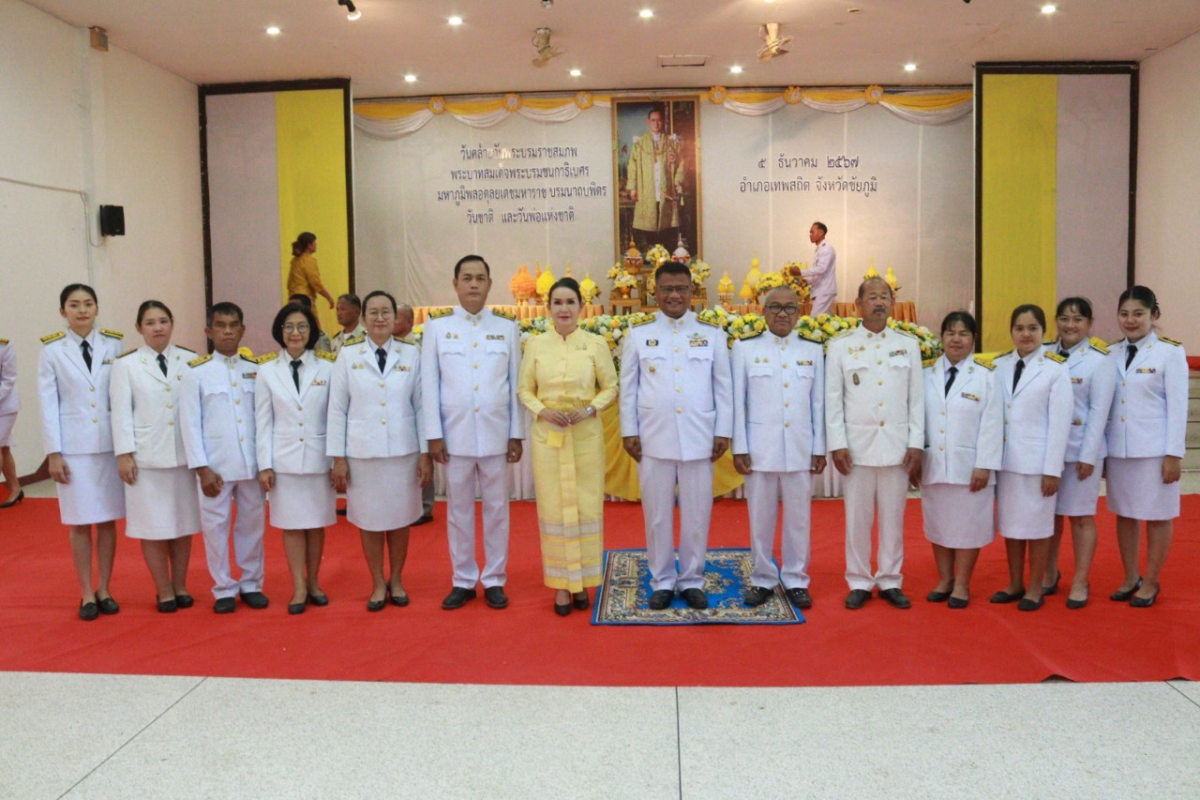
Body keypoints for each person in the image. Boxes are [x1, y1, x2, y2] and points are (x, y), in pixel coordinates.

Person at [620, 261, 732, 610]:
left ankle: (693, 579)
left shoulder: (712, 333)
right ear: (655, 292)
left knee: (698, 512)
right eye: (667, 288)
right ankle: (663, 579)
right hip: (653, 436)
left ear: (692, 293)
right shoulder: (638, 333)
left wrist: (723, 430)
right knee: (656, 513)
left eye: (681, 288)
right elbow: (629, 388)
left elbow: (723, 387)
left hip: (700, 435)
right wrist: (629, 430)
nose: (673, 295)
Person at [421, 255, 523, 611]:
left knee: (497, 510)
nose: (474, 284)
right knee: (459, 511)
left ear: (490, 283)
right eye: (467, 278)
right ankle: (463, 579)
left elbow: (514, 385)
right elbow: (429, 386)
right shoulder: (437, 328)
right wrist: (433, 435)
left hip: (496, 435)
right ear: (455, 284)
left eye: (480, 278)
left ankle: (494, 579)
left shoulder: (507, 327)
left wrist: (516, 433)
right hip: (455, 436)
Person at [518, 277, 619, 616]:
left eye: (570, 302)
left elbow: (611, 386)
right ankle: (562, 585)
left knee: (586, 506)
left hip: (585, 436)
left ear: (581, 307)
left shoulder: (594, 344)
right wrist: (542, 411)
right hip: (548, 437)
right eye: (557, 303)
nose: (564, 309)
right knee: (553, 507)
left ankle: (584, 581)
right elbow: (524, 390)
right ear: (549, 308)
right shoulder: (535, 344)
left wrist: (590, 408)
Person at [329, 290, 432, 611]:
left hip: (403, 452)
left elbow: (422, 406)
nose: (379, 318)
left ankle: (397, 579)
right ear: (363, 318)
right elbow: (337, 408)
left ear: (396, 317)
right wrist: (338, 458)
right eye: (372, 312)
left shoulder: (412, 352)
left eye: (385, 311)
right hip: (363, 454)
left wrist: (426, 453)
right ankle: (376, 582)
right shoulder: (347, 354)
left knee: (401, 519)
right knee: (370, 521)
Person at [825, 277, 924, 610]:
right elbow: (833, 399)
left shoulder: (908, 343)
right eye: (872, 297)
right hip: (857, 446)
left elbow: (917, 399)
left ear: (893, 304)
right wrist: (837, 442)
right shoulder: (841, 345)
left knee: (894, 518)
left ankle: (890, 579)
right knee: (857, 517)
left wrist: (916, 443)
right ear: (858, 305)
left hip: (897, 445)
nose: (879, 302)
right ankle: (859, 579)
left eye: (885, 297)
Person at [731, 286, 825, 610]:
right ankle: (762, 578)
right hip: (760, 448)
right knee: (760, 517)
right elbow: (738, 403)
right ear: (763, 311)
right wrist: (739, 447)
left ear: (799, 312)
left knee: (799, 518)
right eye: (775, 307)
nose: (782, 313)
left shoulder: (812, 351)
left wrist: (820, 447)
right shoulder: (744, 349)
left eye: (789, 308)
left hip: (800, 447)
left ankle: (797, 579)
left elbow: (818, 403)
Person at [37, 285, 126, 620]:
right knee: (78, 523)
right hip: (72, 449)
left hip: (108, 447)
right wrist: (54, 453)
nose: (82, 310)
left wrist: (125, 447)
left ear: (97, 308)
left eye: (88, 304)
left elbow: (119, 396)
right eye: (74, 305)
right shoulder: (51, 350)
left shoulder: (113, 344)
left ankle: (105, 588)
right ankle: (86, 593)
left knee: (106, 521)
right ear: (63, 312)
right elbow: (48, 404)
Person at [110, 300, 202, 613]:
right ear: (139, 328)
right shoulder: (126, 365)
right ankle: (163, 590)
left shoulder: (190, 360)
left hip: (183, 457)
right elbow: (120, 413)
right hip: (146, 458)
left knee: (182, 524)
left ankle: (180, 585)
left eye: (163, 321)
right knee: (152, 527)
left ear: (172, 324)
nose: (158, 327)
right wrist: (124, 453)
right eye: (150, 323)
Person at [179, 302, 269, 614]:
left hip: (250, 465)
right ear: (209, 331)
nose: (227, 331)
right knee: (215, 528)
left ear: (242, 330)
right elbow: (189, 424)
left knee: (252, 526)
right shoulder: (196, 373)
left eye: (233, 325)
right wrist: (202, 468)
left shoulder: (256, 370)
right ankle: (223, 588)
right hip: (214, 467)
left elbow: (264, 420)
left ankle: (251, 583)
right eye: (220, 325)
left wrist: (264, 463)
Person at [1105, 285, 1187, 608]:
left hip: (1155, 452)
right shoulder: (1110, 353)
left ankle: (1151, 581)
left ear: (1154, 315)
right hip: (1120, 450)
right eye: (1124, 314)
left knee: (1157, 516)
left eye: (1138, 313)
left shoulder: (1170, 352)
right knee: (1125, 515)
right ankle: (1130, 576)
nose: (1130, 320)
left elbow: (1178, 407)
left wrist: (1173, 454)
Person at [255, 302, 337, 614]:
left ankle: (314, 581)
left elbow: (335, 417)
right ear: (280, 331)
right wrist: (264, 464)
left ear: (311, 331)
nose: (295, 333)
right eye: (288, 326)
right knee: (291, 525)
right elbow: (262, 422)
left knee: (316, 524)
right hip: (284, 461)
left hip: (319, 459)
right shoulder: (266, 371)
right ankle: (298, 586)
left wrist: (336, 459)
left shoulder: (328, 367)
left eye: (302, 326)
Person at [990, 304, 1073, 612]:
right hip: (1006, 463)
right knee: (1011, 527)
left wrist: (1053, 469)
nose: (1026, 334)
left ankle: (1036, 587)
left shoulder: (1055, 368)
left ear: (1043, 332)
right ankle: (1015, 583)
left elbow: (1060, 424)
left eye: (1033, 329)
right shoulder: (998, 366)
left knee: (1038, 529)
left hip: (1038, 465)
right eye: (1020, 328)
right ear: (1011, 331)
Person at [919, 311, 1003, 609]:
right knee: (939, 523)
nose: (956, 339)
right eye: (950, 332)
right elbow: (917, 420)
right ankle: (944, 579)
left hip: (970, 467)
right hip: (934, 464)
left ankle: (963, 584)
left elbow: (993, 424)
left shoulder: (987, 376)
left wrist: (985, 464)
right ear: (941, 337)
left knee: (968, 526)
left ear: (973, 339)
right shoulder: (924, 373)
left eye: (964, 333)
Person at [1042, 297, 1116, 609]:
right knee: (1050, 518)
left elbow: (1100, 411)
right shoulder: (1044, 353)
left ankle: (1081, 579)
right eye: (1064, 318)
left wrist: (1088, 455)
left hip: (1080, 452)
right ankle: (1048, 573)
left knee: (1081, 518)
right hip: (1047, 452)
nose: (1070, 325)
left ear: (1089, 324)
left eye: (1077, 319)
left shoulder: (1100, 359)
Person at [625, 104, 685, 252]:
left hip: (667, 188)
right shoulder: (639, 143)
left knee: (667, 221)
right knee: (648, 220)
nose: (656, 123)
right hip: (647, 189)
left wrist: (678, 180)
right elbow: (632, 166)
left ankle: (666, 252)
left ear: (663, 122)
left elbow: (681, 163)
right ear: (648, 122)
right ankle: (649, 253)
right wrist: (632, 188)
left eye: (659, 120)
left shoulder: (672, 142)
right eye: (653, 120)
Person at [395, 303, 434, 525]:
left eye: (397, 319)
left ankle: (425, 508)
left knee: (423, 456)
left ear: (409, 322)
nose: (392, 323)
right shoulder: (391, 345)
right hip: (401, 409)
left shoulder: (418, 346)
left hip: (420, 407)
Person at [287, 232, 335, 309]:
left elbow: (289, 282)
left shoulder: (294, 260)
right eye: (314, 242)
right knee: (311, 320)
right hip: (304, 299)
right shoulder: (309, 260)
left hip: (292, 298)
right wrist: (328, 297)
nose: (316, 245)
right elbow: (315, 283)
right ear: (309, 245)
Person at [0, 336, 21, 508]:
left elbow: (9, 378)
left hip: (4, 407)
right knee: (4, 448)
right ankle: (15, 488)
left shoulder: (4, 346)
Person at [801, 222, 838, 318]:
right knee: (828, 322)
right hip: (822, 290)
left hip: (824, 290)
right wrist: (806, 281)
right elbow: (819, 274)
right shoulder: (820, 249)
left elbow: (821, 269)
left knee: (814, 320)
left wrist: (801, 272)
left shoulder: (826, 248)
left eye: (812, 232)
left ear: (821, 232)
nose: (810, 235)